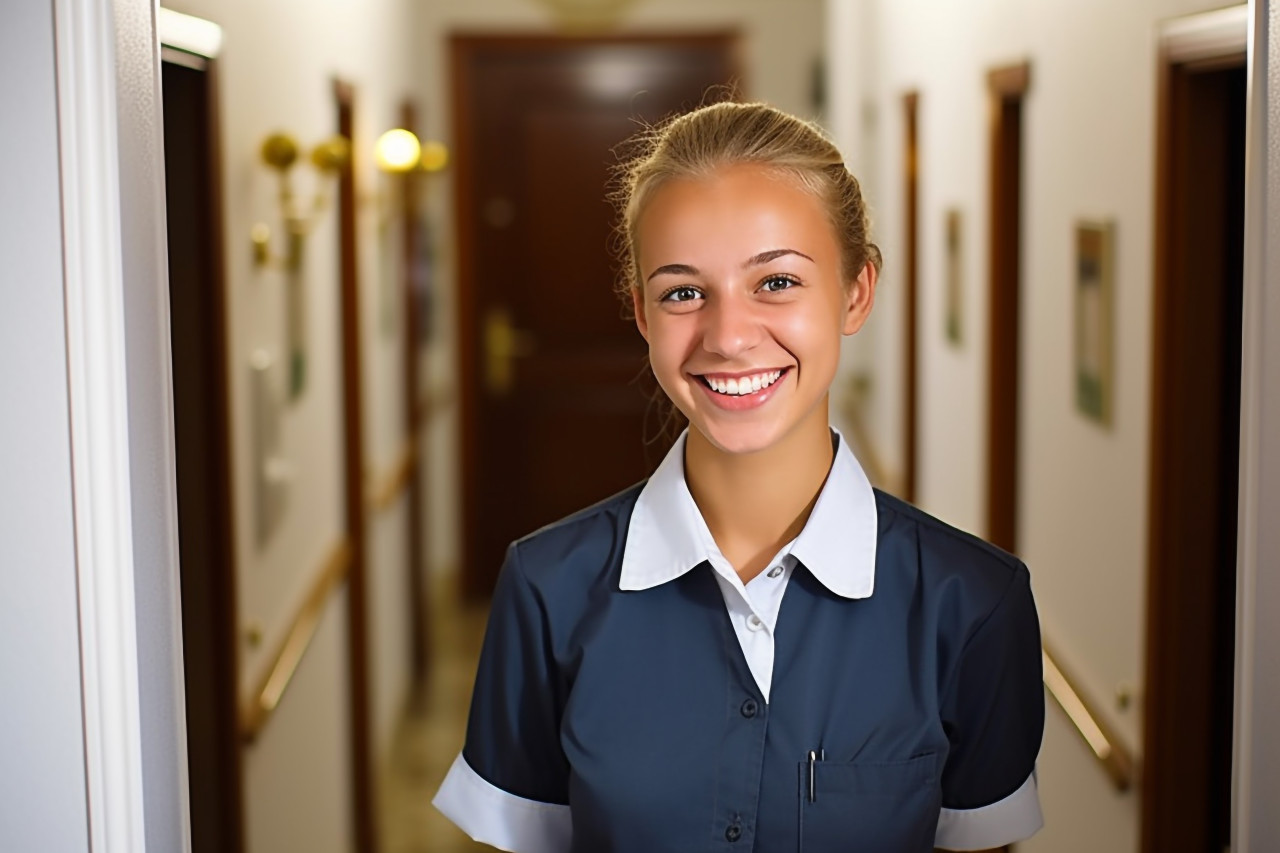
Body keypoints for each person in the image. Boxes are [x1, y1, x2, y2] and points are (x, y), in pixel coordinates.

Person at [433, 100, 1044, 853]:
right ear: (642, 313)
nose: (727, 337)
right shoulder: (546, 588)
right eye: (683, 292)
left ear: (856, 292)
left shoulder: (974, 605)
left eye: (777, 281)